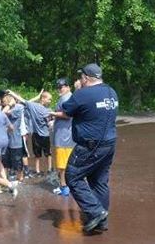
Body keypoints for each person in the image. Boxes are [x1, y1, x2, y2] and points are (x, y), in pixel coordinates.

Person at [53, 63, 118, 233]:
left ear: (86, 78)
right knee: (99, 182)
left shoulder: (82, 94)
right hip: (109, 144)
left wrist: (78, 91)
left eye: (81, 77)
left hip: (90, 145)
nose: (79, 80)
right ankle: (101, 222)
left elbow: (67, 112)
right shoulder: (112, 92)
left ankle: (96, 212)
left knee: (72, 176)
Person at [7, 89, 53, 175]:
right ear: (43, 98)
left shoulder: (33, 106)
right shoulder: (47, 110)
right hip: (44, 134)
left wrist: (12, 93)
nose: (50, 101)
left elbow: (22, 100)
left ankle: (41, 170)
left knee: (38, 154)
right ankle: (47, 169)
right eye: (49, 99)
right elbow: (50, 122)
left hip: (36, 134)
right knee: (46, 153)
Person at [49, 78, 75, 196]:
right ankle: (69, 186)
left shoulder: (67, 98)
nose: (59, 89)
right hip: (67, 135)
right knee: (68, 163)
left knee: (62, 165)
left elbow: (68, 115)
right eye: (58, 87)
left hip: (64, 137)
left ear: (68, 87)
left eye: (62, 86)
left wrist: (52, 113)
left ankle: (64, 188)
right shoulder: (69, 97)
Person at [1, 95, 28, 182]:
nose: (3, 104)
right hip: (6, 140)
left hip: (16, 140)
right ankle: (5, 179)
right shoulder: (4, 108)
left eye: (4, 102)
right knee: (5, 161)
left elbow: (3, 113)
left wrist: (9, 105)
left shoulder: (18, 107)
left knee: (17, 162)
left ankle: (20, 178)